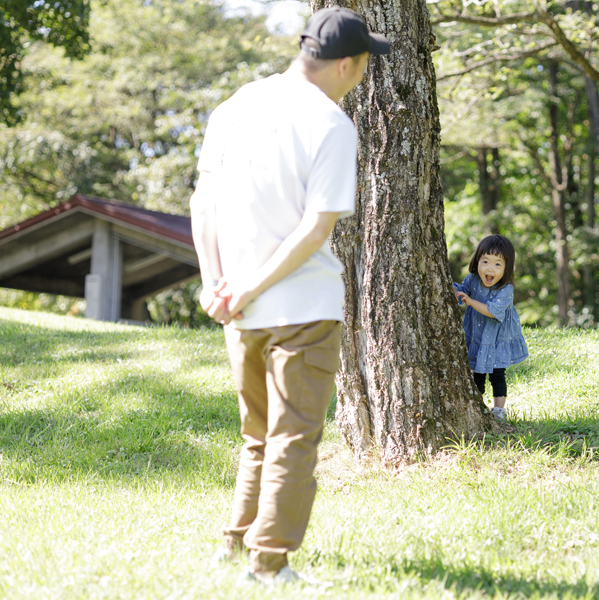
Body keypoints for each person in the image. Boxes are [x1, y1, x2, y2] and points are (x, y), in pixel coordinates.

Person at [189, 7, 390, 585]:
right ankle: (269, 566)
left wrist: (217, 283)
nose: (359, 77)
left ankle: (234, 548)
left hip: (239, 309)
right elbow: (315, 228)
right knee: (293, 438)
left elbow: (205, 202)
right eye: (362, 66)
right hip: (301, 308)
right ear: (346, 64)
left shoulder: (236, 106)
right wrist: (248, 286)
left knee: (258, 436)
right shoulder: (331, 124)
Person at [452, 235, 528, 421]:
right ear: (477, 260)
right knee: (476, 372)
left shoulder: (506, 290)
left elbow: (491, 311)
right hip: (478, 336)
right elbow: (463, 290)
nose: (489, 268)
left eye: (497, 264)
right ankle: (477, 404)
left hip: (496, 339)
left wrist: (469, 301)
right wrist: (455, 290)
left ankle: (499, 410)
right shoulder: (473, 279)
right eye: (485, 261)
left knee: (497, 375)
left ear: (507, 269)